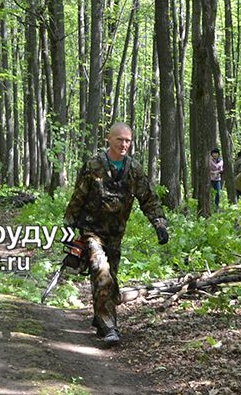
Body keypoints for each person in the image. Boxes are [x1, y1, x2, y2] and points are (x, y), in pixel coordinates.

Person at [63, 122, 169, 345]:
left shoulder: (133, 169)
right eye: (120, 139)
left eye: (128, 140)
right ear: (109, 139)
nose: (124, 144)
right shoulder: (93, 165)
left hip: (115, 235)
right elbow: (78, 196)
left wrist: (159, 223)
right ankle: (110, 327)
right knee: (102, 272)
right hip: (92, 231)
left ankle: (101, 320)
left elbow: (148, 198)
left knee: (111, 279)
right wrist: (69, 225)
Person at [209, 148, 224, 212]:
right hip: (210, 179)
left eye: (216, 153)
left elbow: (222, 169)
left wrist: (218, 172)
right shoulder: (209, 160)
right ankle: (210, 205)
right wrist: (214, 172)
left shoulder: (221, 161)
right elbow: (208, 169)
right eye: (213, 153)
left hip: (218, 179)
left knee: (218, 193)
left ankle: (216, 206)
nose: (215, 154)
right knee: (210, 192)